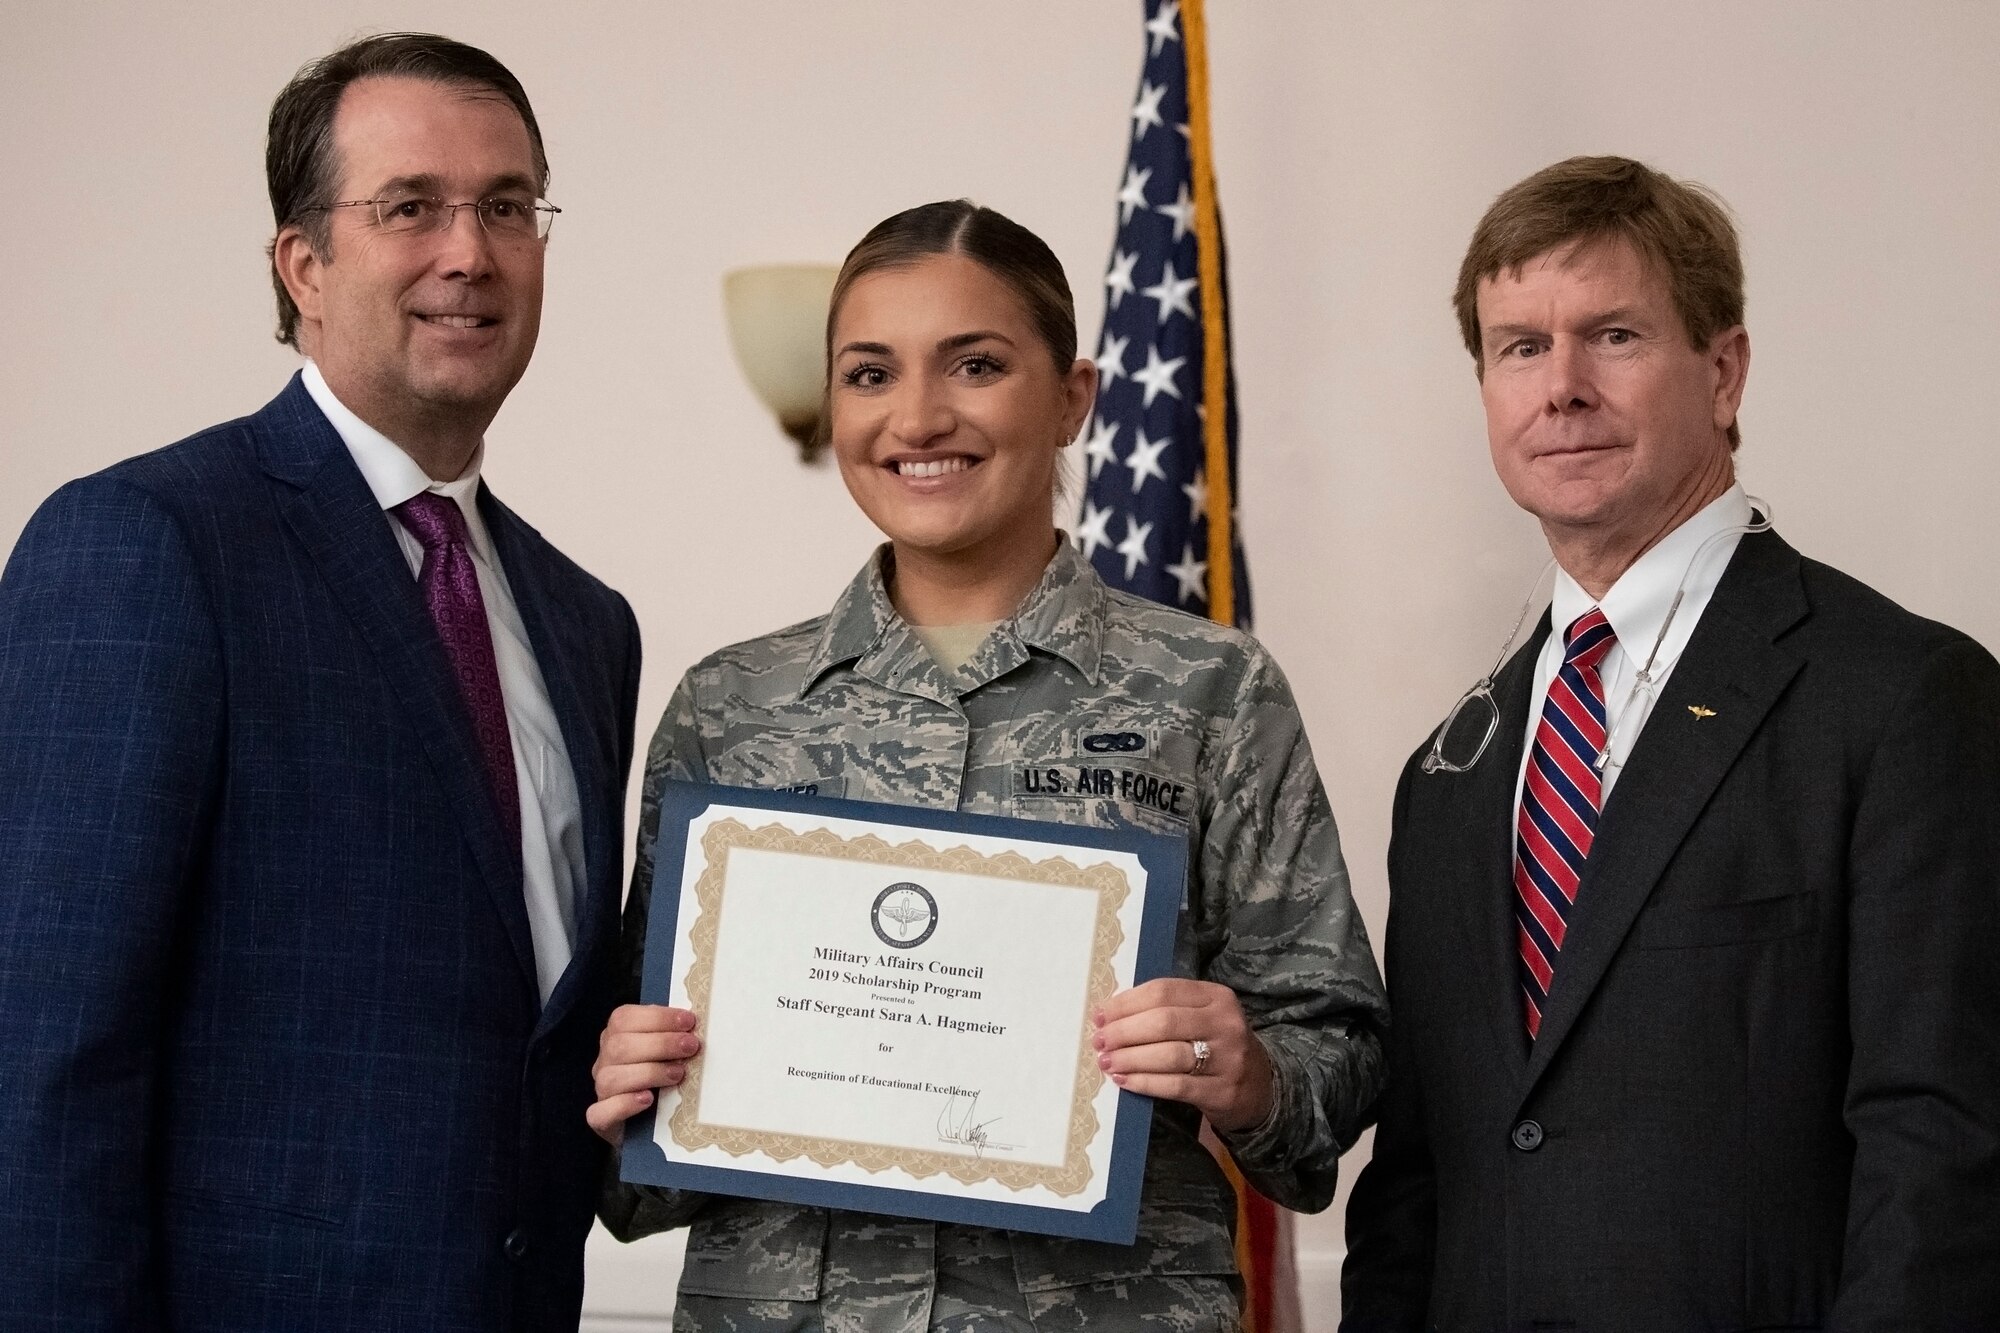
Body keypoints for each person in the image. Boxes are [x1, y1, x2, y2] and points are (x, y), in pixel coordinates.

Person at [589, 200, 1387, 1331]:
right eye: (869, 373)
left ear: (1071, 397)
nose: (916, 415)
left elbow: (1337, 1049)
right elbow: (641, 1153)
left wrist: (1246, 1071)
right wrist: (627, 1082)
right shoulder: (730, 705)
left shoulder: (1212, 690)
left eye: (974, 364)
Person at [0, 34, 640, 1332]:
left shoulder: (587, 625)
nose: (471, 251)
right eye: (411, 207)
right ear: (304, 264)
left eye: (509, 207)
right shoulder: (150, 542)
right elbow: (44, 1062)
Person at [1340, 156, 2000, 1329]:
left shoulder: (1903, 697)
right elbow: (1415, 1184)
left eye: (1614, 335)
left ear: (1724, 369)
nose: (1562, 389)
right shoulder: (1448, 775)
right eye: (1517, 347)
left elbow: (1941, 1144)